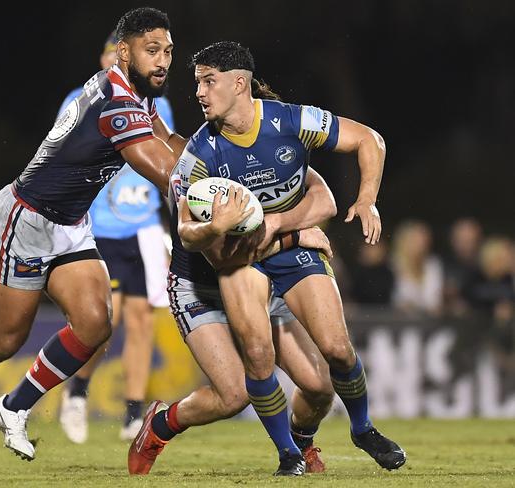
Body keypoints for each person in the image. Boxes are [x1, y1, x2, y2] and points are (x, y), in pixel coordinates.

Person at [0, 7, 185, 474]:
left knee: (95, 324)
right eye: (151, 51)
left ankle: (13, 407)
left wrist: (218, 160)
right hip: (26, 219)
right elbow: (161, 171)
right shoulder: (117, 102)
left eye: (168, 52)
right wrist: (220, 194)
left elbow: (170, 142)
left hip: (69, 222)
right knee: (3, 340)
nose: (162, 61)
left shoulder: (131, 88)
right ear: (124, 51)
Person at [149, 41, 406, 475]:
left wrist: (367, 200)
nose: (199, 92)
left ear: (239, 83)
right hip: (235, 261)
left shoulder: (291, 121)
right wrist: (215, 226)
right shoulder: (199, 155)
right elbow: (188, 235)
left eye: (208, 82)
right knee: (256, 352)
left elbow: (370, 139)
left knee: (338, 351)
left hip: (287, 253)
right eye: (197, 83)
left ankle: (362, 429)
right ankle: (289, 454)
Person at [128, 160, 338, 475]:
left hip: (259, 283)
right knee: (234, 396)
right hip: (201, 289)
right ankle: (161, 424)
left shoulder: (276, 148)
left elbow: (324, 196)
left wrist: (361, 201)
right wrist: (296, 237)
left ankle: (301, 443)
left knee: (320, 386)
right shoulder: (202, 166)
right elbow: (223, 257)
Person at [57, 30, 174, 443]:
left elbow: (165, 159)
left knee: (142, 321)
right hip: (100, 226)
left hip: (141, 228)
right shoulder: (82, 97)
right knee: (107, 319)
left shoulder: (154, 102)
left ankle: (133, 413)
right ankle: (76, 393)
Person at [391, 219, 444, 316]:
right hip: (397, 323)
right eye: (415, 240)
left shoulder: (432, 265)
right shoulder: (393, 265)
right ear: (404, 241)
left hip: (429, 322)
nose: (421, 245)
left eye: (424, 240)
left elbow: (434, 302)